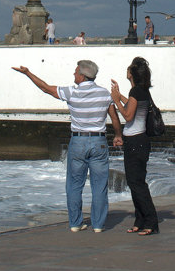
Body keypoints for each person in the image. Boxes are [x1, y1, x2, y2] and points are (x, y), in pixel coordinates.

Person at [12, 60, 122, 233]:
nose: (73, 74)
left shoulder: (72, 92)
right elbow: (114, 118)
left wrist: (28, 73)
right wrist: (118, 135)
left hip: (78, 141)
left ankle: (75, 223)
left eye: (75, 71)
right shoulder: (104, 93)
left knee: (74, 184)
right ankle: (99, 225)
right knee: (99, 185)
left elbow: (46, 88)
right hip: (98, 141)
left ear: (82, 75)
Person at [110, 56, 159, 235]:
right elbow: (132, 104)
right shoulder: (140, 91)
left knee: (137, 183)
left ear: (132, 73)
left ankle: (151, 222)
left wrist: (116, 101)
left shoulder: (136, 92)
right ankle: (140, 219)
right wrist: (119, 94)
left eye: (129, 68)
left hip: (136, 143)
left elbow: (128, 116)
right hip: (138, 141)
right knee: (134, 182)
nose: (127, 70)